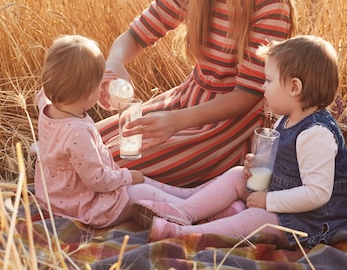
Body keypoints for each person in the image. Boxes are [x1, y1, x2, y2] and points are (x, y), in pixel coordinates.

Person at [96, 0, 296, 187]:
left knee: (114, 165)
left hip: (233, 121)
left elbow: (248, 94)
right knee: (88, 147)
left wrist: (176, 123)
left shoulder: (269, 0)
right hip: (187, 99)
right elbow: (136, 35)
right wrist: (115, 63)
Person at [131, 35, 347, 248]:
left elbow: (317, 194)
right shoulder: (287, 119)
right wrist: (258, 164)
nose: (263, 87)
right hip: (279, 198)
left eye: (268, 81)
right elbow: (283, 164)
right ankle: (183, 211)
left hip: (311, 222)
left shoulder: (316, 134)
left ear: (294, 87)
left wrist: (268, 200)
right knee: (238, 174)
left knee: (257, 217)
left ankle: (185, 235)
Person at [33, 35, 243, 227]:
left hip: (56, 196)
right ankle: (200, 211)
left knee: (144, 185)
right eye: (98, 85)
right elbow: (97, 180)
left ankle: (192, 197)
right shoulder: (78, 132)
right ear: (89, 94)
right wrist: (128, 176)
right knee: (141, 190)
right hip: (86, 206)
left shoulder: (46, 102)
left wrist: (91, 78)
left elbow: (47, 87)